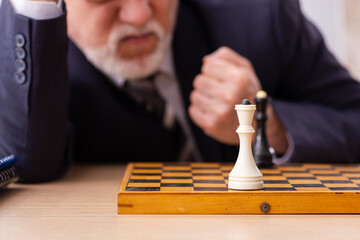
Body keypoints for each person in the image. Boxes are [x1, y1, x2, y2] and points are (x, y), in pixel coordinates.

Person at [0, 0, 359, 183]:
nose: (140, 15)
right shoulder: (26, 42)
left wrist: (268, 125)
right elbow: (26, 168)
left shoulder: (262, 17)